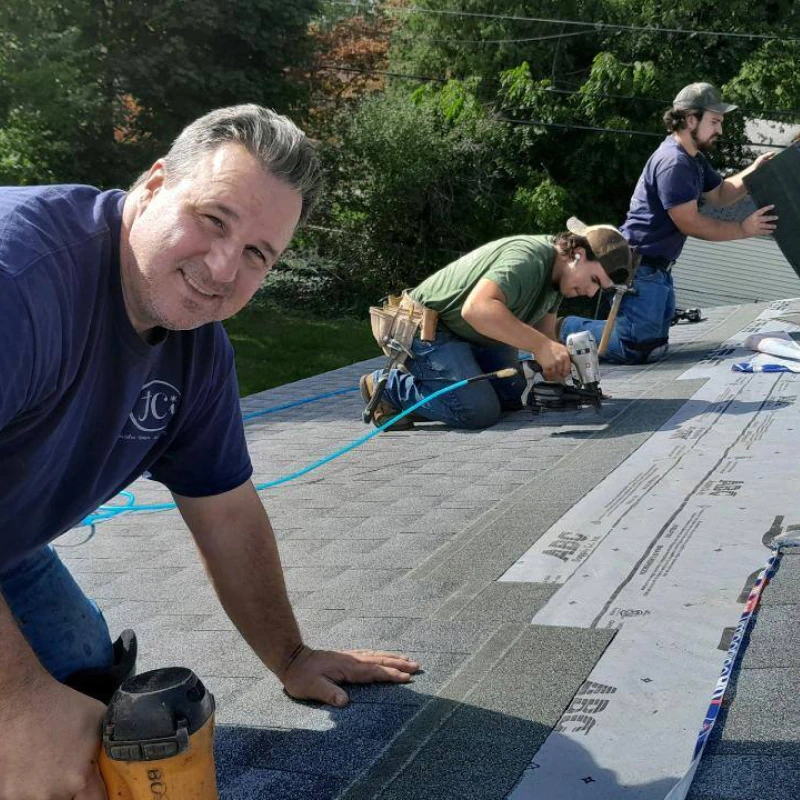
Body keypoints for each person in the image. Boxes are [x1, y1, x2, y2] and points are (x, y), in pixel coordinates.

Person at [0, 105, 419, 799]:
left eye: (258, 254)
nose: (224, 267)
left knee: (84, 687)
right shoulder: (22, 277)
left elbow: (227, 515)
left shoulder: (195, 352)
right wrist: (15, 708)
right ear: (155, 182)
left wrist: (290, 655)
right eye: (213, 219)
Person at [559, 82, 778, 364]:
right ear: (690, 120)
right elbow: (690, 222)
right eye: (714, 121)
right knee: (636, 347)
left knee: (655, 345)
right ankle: (559, 329)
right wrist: (743, 229)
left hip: (657, 269)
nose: (719, 130)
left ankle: (569, 332)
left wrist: (755, 172)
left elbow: (721, 195)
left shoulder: (694, 160)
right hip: (639, 267)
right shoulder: (674, 163)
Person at [359, 218, 635, 430]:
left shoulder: (556, 283)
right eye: (595, 281)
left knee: (513, 396)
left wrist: (566, 376)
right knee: (479, 411)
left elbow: (545, 337)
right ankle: (389, 388)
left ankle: (445, 394)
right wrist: (542, 346)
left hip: (470, 335)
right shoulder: (528, 258)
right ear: (577, 254)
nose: (590, 293)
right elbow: (477, 309)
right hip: (427, 329)